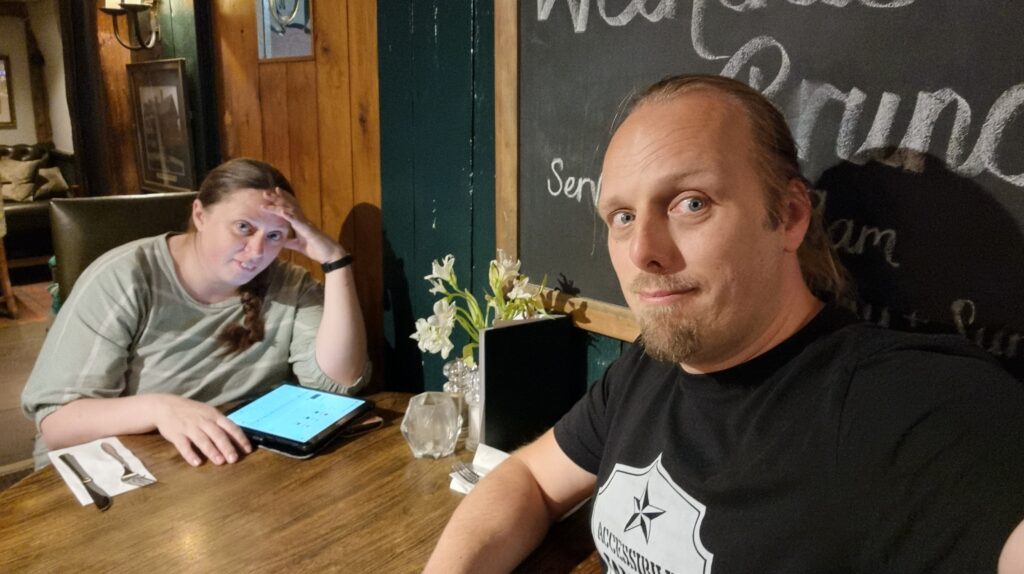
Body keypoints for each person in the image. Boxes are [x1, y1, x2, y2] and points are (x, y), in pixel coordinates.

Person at [425, 75, 1024, 573]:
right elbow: (528, 478)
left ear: (788, 217)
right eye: (623, 215)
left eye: (691, 203)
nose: (642, 253)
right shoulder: (649, 365)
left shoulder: (905, 404)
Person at [21, 158, 369, 469]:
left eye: (275, 234)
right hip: (114, 471)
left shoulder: (288, 284)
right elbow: (57, 424)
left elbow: (338, 383)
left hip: (226, 465)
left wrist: (335, 261)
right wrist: (159, 409)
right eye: (244, 227)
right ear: (200, 215)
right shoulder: (126, 277)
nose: (257, 251)